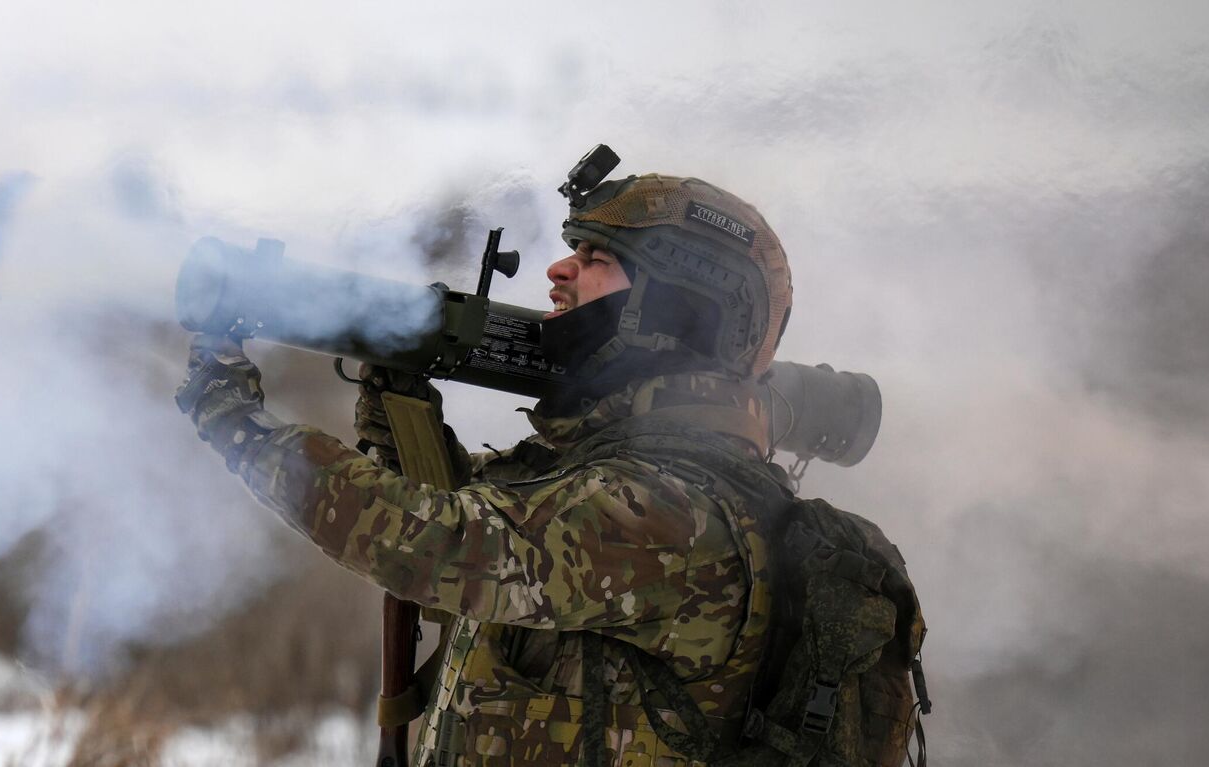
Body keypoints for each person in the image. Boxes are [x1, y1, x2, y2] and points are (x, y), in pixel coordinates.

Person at [176, 172, 796, 766]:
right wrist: (401, 421)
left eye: (598, 259)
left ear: (678, 307)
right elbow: (478, 526)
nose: (559, 270)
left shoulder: (672, 512)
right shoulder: (608, 475)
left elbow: (440, 545)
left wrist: (238, 424)